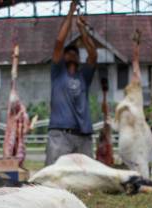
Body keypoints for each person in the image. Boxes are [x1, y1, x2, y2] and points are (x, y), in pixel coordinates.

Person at [45, 0, 97, 165]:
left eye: (75, 52)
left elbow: (93, 54)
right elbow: (59, 42)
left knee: (87, 179)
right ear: (63, 57)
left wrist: (81, 28)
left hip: (83, 135)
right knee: (54, 178)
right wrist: (71, 12)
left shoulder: (84, 76)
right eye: (68, 52)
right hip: (60, 134)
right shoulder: (57, 73)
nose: (72, 54)